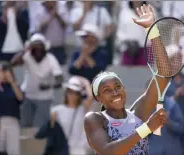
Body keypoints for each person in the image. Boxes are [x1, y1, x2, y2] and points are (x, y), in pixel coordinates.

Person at [84, 4, 170, 155]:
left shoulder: (138, 113)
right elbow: (107, 151)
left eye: (118, 87)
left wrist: (152, 31)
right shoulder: (94, 119)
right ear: (98, 98)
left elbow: (164, 73)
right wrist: (146, 128)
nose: (115, 92)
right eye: (107, 90)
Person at [11, 33, 63, 127]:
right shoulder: (27, 56)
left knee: (41, 126)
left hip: (44, 98)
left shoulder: (51, 59)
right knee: (25, 124)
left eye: (40, 48)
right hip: (28, 96)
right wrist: (24, 51)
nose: (38, 50)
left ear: (44, 48)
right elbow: (13, 63)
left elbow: (59, 79)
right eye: (35, 48)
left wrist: (47, 85)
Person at [0, 62, 23, 155]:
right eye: (1, 71)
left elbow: (20, 98)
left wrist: (12, 81)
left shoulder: (14, 86)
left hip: (12, 121)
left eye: (6, 71)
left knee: (13, 150)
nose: (4, 74)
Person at [51, 76, 93, 154]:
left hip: (79, 149)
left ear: (79, 95)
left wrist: (85, 82)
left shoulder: (82, 109)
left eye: (76, 93)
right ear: (66, 92)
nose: (72, 95)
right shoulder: (56, 110)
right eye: (70, 92)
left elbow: (90, 96)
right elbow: (51, 131)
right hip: (62, 148)